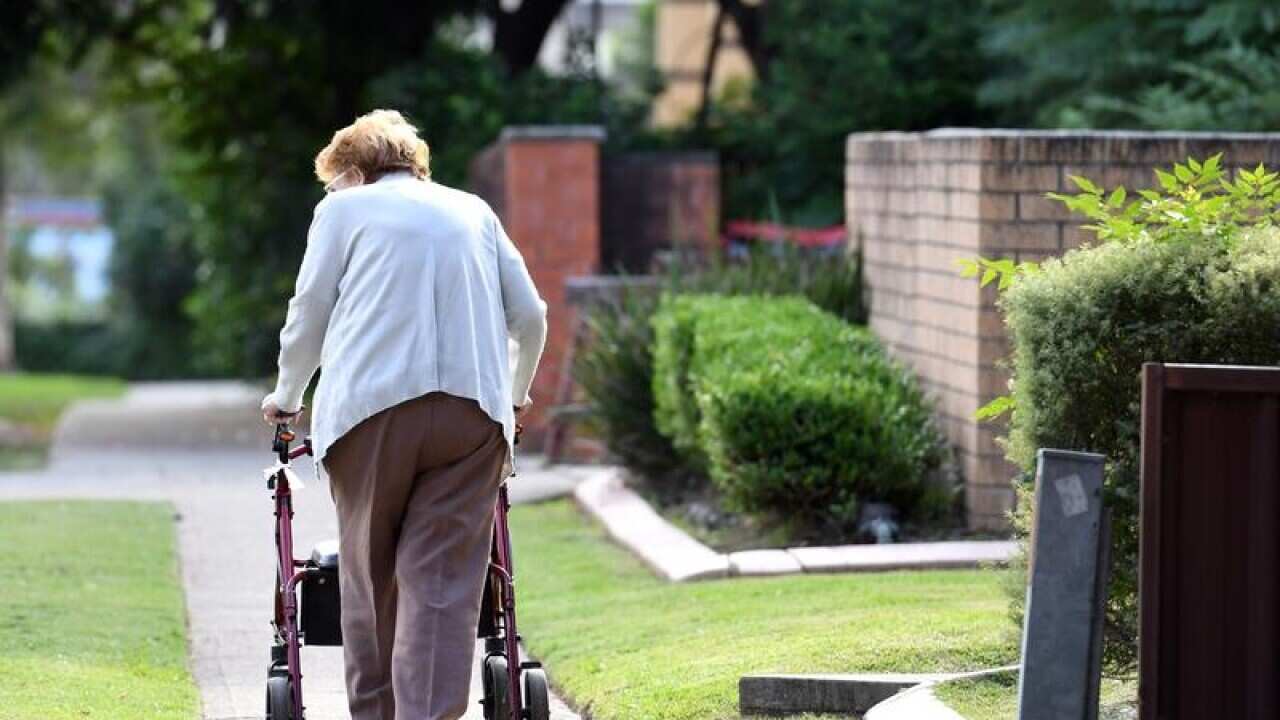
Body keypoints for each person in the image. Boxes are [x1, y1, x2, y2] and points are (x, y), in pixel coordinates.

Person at [261, 109, 547, 720]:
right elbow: (532, 316)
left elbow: (309, 310)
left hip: (371, 411)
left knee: (371, 582)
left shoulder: (342, 211)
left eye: (335, 179)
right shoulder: (474, 210)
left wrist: (287, 398)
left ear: (356, 173)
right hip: (474, 416)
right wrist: (515, 394)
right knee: (442, 588)